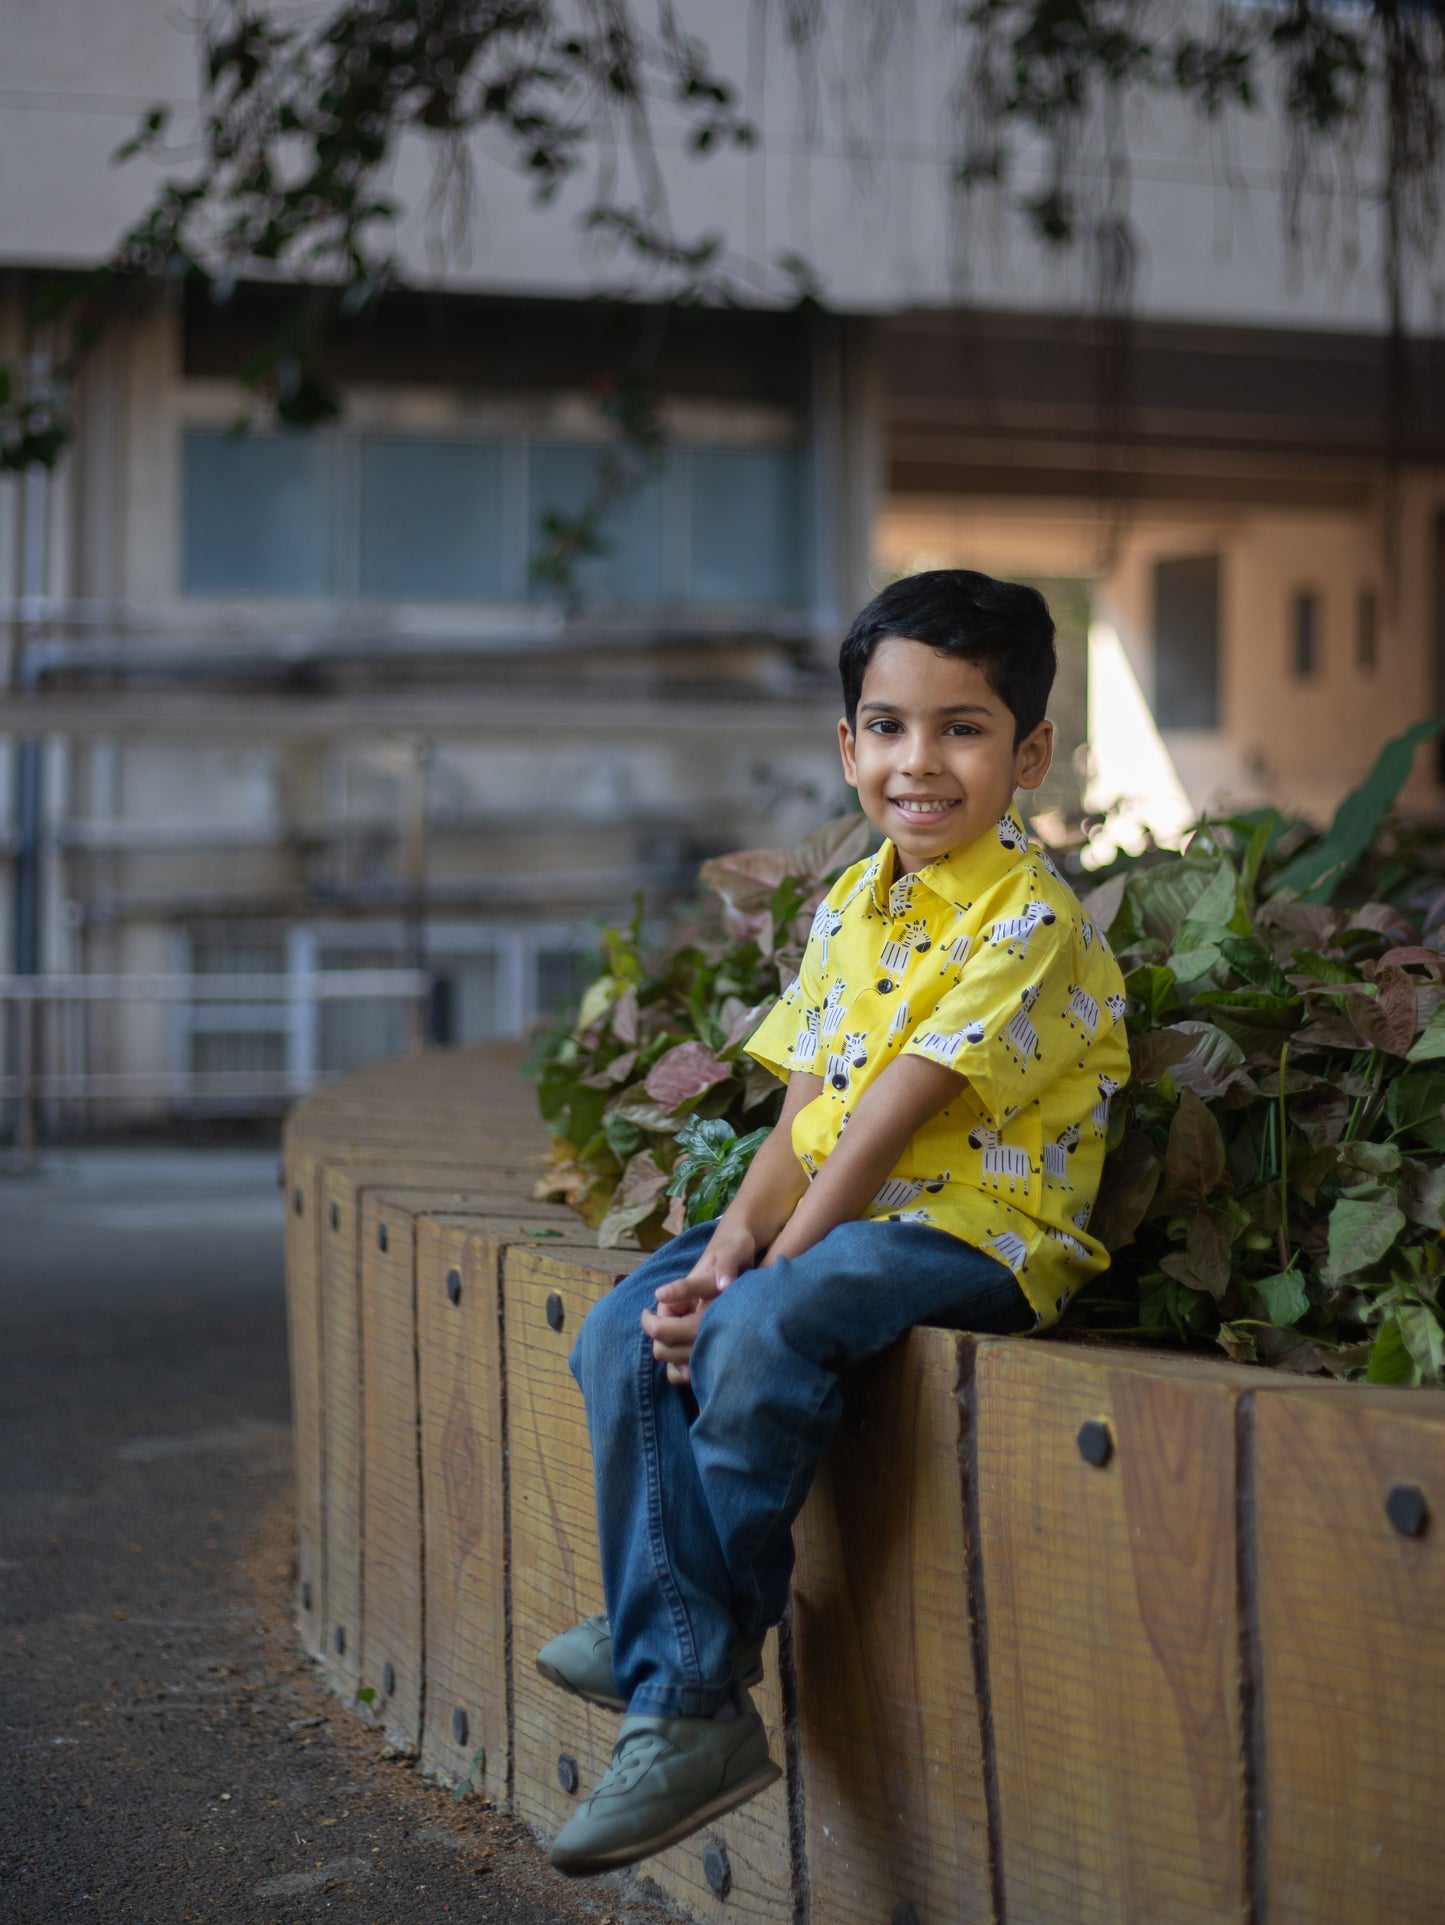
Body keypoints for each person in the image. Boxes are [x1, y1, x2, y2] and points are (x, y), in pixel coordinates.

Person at [541, 568, 1130, 1877]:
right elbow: (804, 1121)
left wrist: (757, 1287)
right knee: (622, 1328)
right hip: (841, 1219)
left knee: (760, 1327)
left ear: (1027, 750)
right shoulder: (847, 906)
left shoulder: (1028, 918)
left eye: (961, 727)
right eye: (886, 725)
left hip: (980, 1237)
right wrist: (724, 1257)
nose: (918, 760)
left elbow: (879, 1134)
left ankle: (688, 1690)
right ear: (847, 743)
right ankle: (669, 1613)